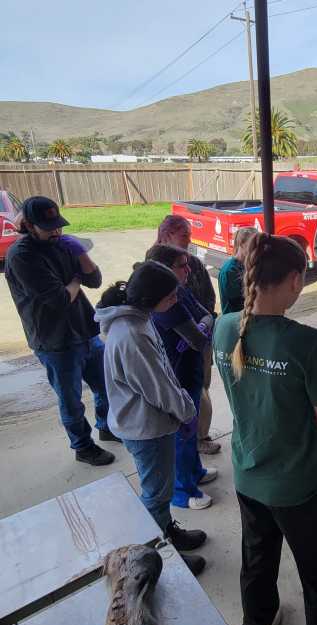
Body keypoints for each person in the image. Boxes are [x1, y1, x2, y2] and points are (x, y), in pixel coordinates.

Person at [213, 233, 317, 625]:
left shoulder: (222, 327)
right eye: (301, 277)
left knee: (257, 559)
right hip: (301, 486)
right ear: (291, 280)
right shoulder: (309, 343)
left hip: (248, 474)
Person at [94, 262, 208, 576]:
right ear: (149, 298)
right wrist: (187, 411)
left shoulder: (138, 319)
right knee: (156, 496)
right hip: (146, 428)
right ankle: (152, 558)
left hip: (153, 422)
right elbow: (158, 388)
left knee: (162, 490)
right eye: (171, 297)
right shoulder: (130, 334)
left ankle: (167, 533)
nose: (176, 301)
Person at [5, 196, 116, 466]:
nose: (56, 231)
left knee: (105, 386)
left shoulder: (62, 244)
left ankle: (107, 426)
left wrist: (80, 252)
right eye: (49, 227)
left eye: (59, 225)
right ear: (30, 226)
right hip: (55, 341)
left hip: (85, 330)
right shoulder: (21, 257)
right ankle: (83, 447)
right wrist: (75, 278)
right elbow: (59, 299)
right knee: (71, 400)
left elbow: (95, 279)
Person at [146, 244, 217, 510]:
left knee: (192, 426)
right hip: (178, 376)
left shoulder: (179, 291)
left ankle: (194, 472)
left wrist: (202, 326)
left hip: (191, 369)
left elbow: (207, 315)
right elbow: (200, 338)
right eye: (182, 265)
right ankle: (181, 490)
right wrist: (202, 327)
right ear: (164, 269)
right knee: (182, 434)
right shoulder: (167, 304)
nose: (189, 269)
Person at [157, 214, 220, 455]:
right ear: (166, 235)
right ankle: (194, 438)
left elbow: (207, 302)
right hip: (176, 347)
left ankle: (199, 436)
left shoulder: (192, 262)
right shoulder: (156, 265)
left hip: (199, 340)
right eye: (184, 236)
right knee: (188, 391)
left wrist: (203, 324)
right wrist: (199, 324)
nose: (189, 241)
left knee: (201, 385)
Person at [218, 227, 258, 315]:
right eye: (253, 245)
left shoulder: (248, 265)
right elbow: (237, 304)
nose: (256, 249)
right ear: (242, 244)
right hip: (235, 320)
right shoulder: (229, 271)